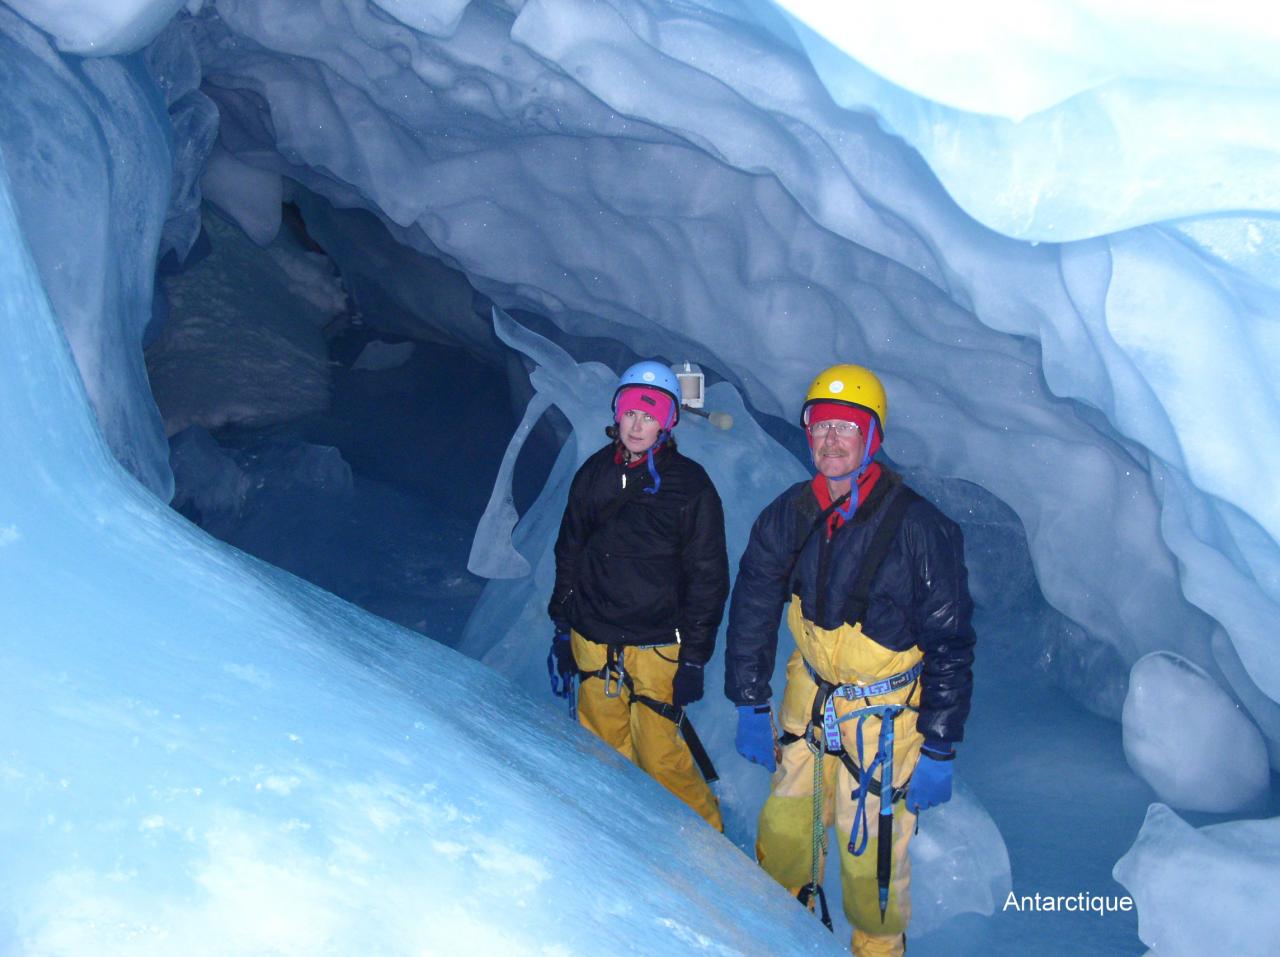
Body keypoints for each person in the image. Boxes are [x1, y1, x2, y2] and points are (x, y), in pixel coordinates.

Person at [724, 363, 975, 957]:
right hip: (808, 696)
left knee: (872, 868)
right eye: (820, 426)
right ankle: (784, 939)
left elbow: (950, 641)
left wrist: (939, 744)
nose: (830, 440)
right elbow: (755, 601)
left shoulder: (920, 528)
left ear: (871, 438)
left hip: (886, 717)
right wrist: (747, 698)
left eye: (847, 427)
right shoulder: (791, 512)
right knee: (784, 837)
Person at [546, 360, 730, 830]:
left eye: (650, 416)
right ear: (616, 413)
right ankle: (617, 847)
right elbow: (570, 550)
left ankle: (711, 858)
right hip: (593, 638)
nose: (637, 425)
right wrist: (562, 625)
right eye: (630, 413)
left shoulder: (690, 486)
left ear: (667, 422)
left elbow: (707, 575)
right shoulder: (594, 473)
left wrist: (694, 659)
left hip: (656, 646)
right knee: (602, 755)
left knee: (662, 759)